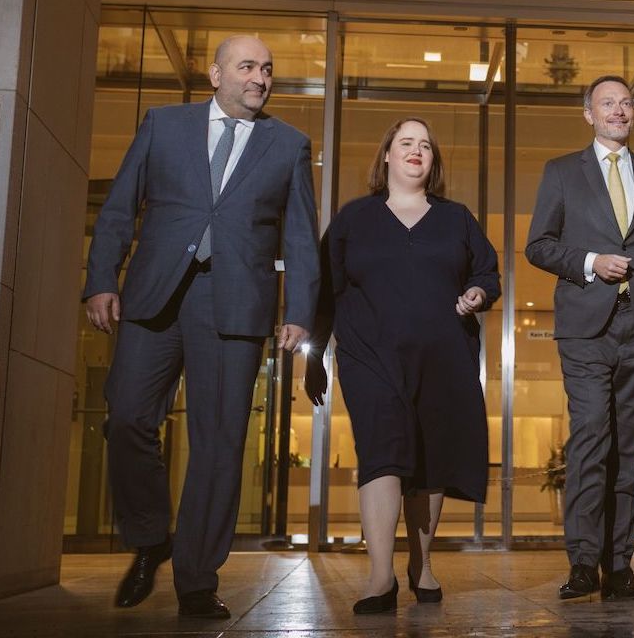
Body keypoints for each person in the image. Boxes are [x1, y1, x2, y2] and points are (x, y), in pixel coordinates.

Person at [83, 35, 320, 619]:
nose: (259, 78)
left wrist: (300, 312)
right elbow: (120, 206)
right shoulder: (164, 124)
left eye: (267, 69)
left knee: (219, 446)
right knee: (128, 419)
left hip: (236, 304)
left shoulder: (289, 145)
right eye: (247, 66)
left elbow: (299, 236)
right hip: (155, 296)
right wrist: (100, 279)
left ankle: (195, 577)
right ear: (216, 74)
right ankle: (149, 537)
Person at [305, 118, 499, 614]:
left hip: (444, 356)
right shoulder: (353, 219)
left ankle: (422, 562)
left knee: (430, 460)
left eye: (426, 146)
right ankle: (379, 576)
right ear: (387, 155)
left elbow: (486, 273)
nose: (416, 151)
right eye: (406, 143)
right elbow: (325, 291)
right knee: (382, 451)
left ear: (433, 162)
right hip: (369, 355)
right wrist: (314, 356)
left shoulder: (457, 218)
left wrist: (477, 293)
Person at [525, 74, 634, 601]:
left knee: (628, 449)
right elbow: (538, 244)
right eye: (608, 104)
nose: (619, 112)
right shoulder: (561, 172)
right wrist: (588, 262)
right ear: (589, 114)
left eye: (626, 104)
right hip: (585, 329)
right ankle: (583, 562)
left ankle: (619, 565)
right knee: (589, 442)